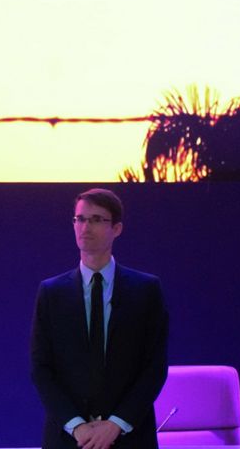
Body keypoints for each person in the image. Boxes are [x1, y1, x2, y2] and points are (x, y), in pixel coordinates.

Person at [31, 188, 169, 449]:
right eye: (80, 219)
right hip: (68, 438)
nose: (85, 227)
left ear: (116, 228)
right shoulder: (51, 293)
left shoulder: (145, 290)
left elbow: (154, 366)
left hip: (130, 437)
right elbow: (41, 368)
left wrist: (116, 423)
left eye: (96, 219)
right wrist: (76, 426)